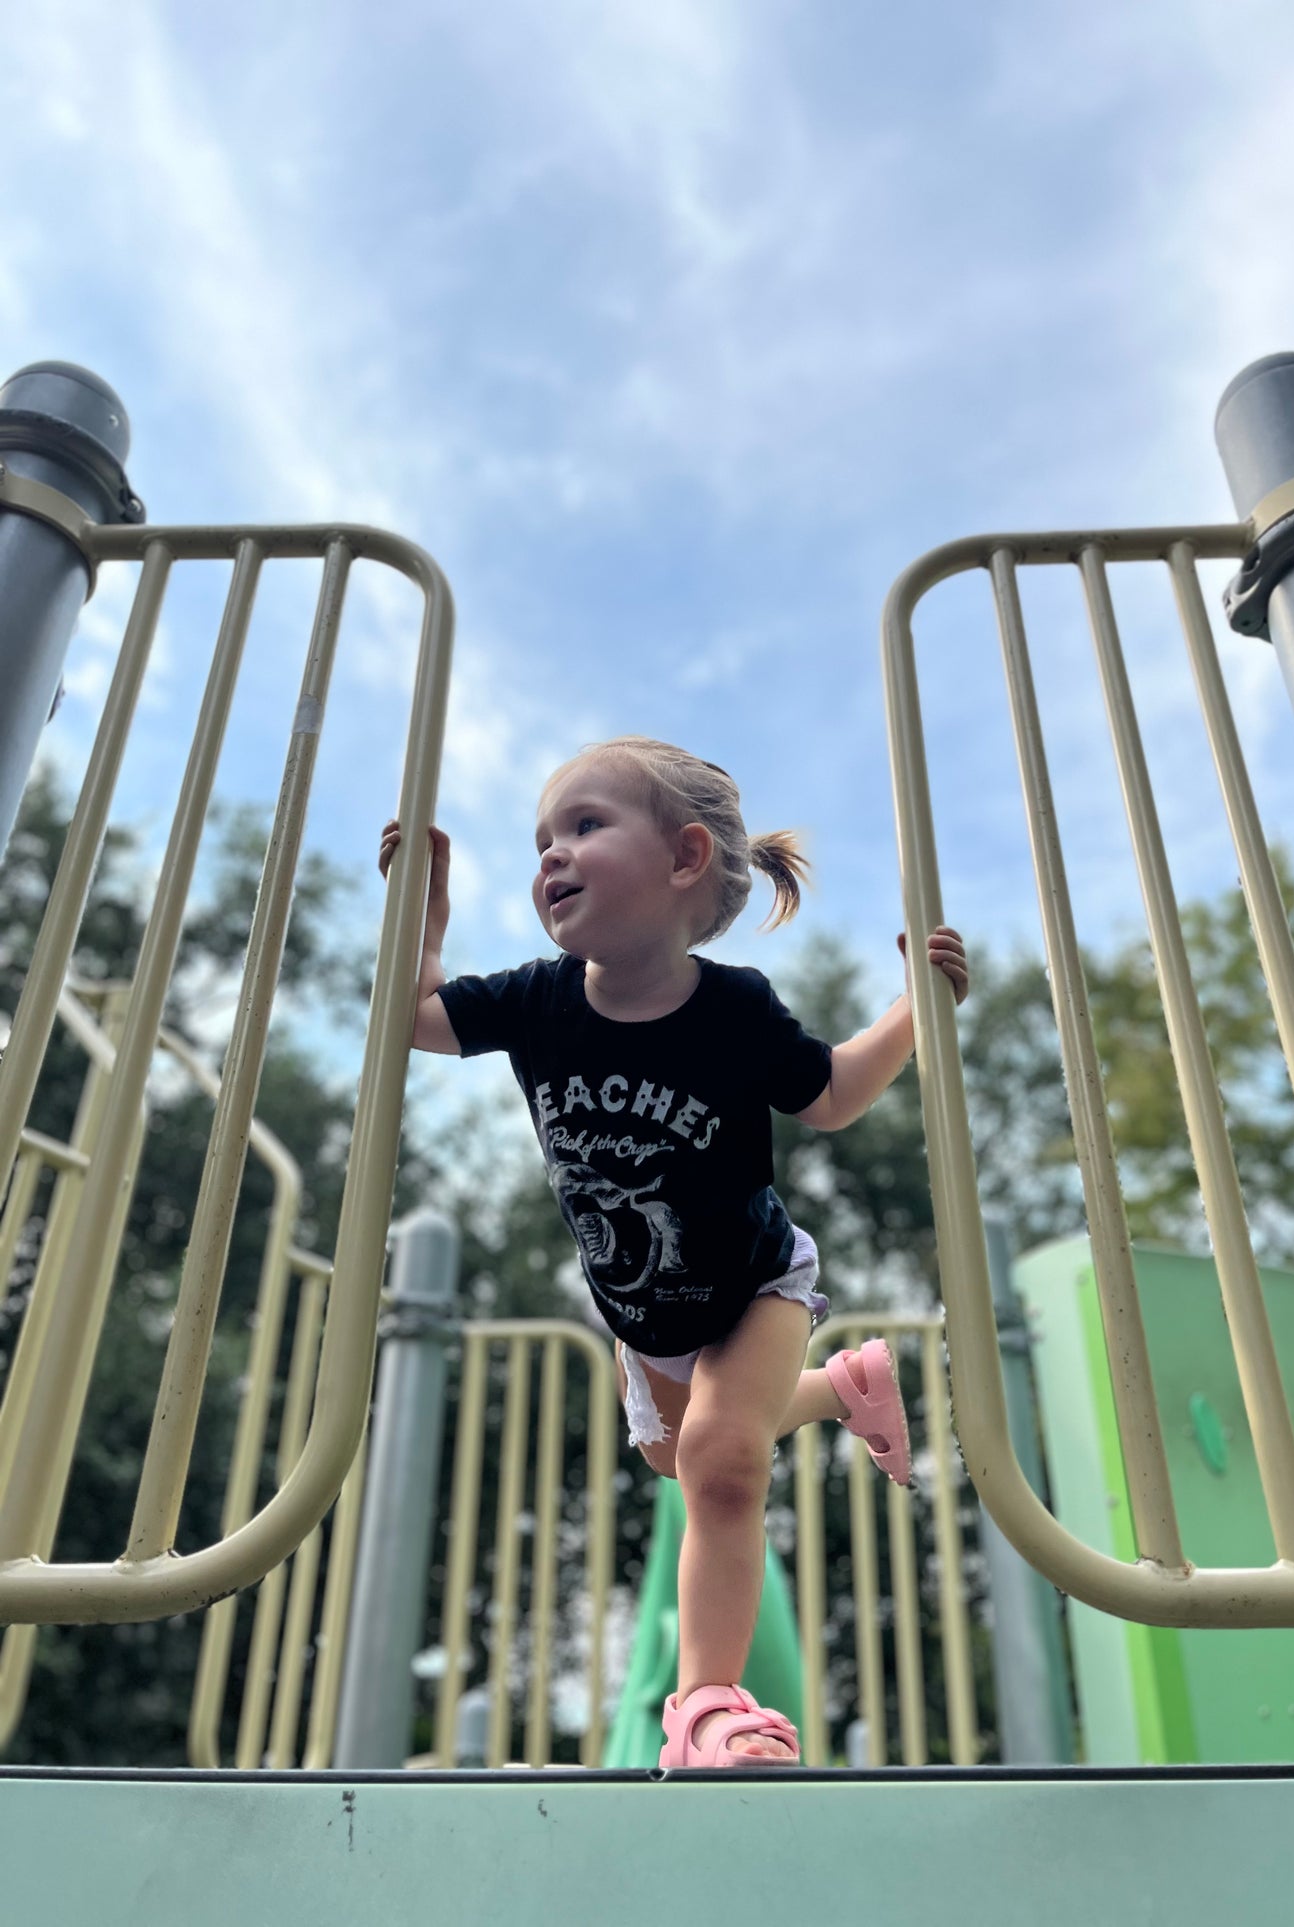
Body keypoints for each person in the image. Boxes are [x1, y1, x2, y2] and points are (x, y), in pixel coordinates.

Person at [378, 736, 968, 1768]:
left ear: (684, 857)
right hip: (639, 1312)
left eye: (584, 826)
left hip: (752, 1285)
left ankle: (705, 1706)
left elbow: (827, 1095)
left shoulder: (733, 1008)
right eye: (541, 840)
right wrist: (421, 924)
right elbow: (411, 1022)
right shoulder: (536, 999)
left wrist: (915, 1009)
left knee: (718, 1463)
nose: (550, 855)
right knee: (673, 1455)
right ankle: (838, 1390)